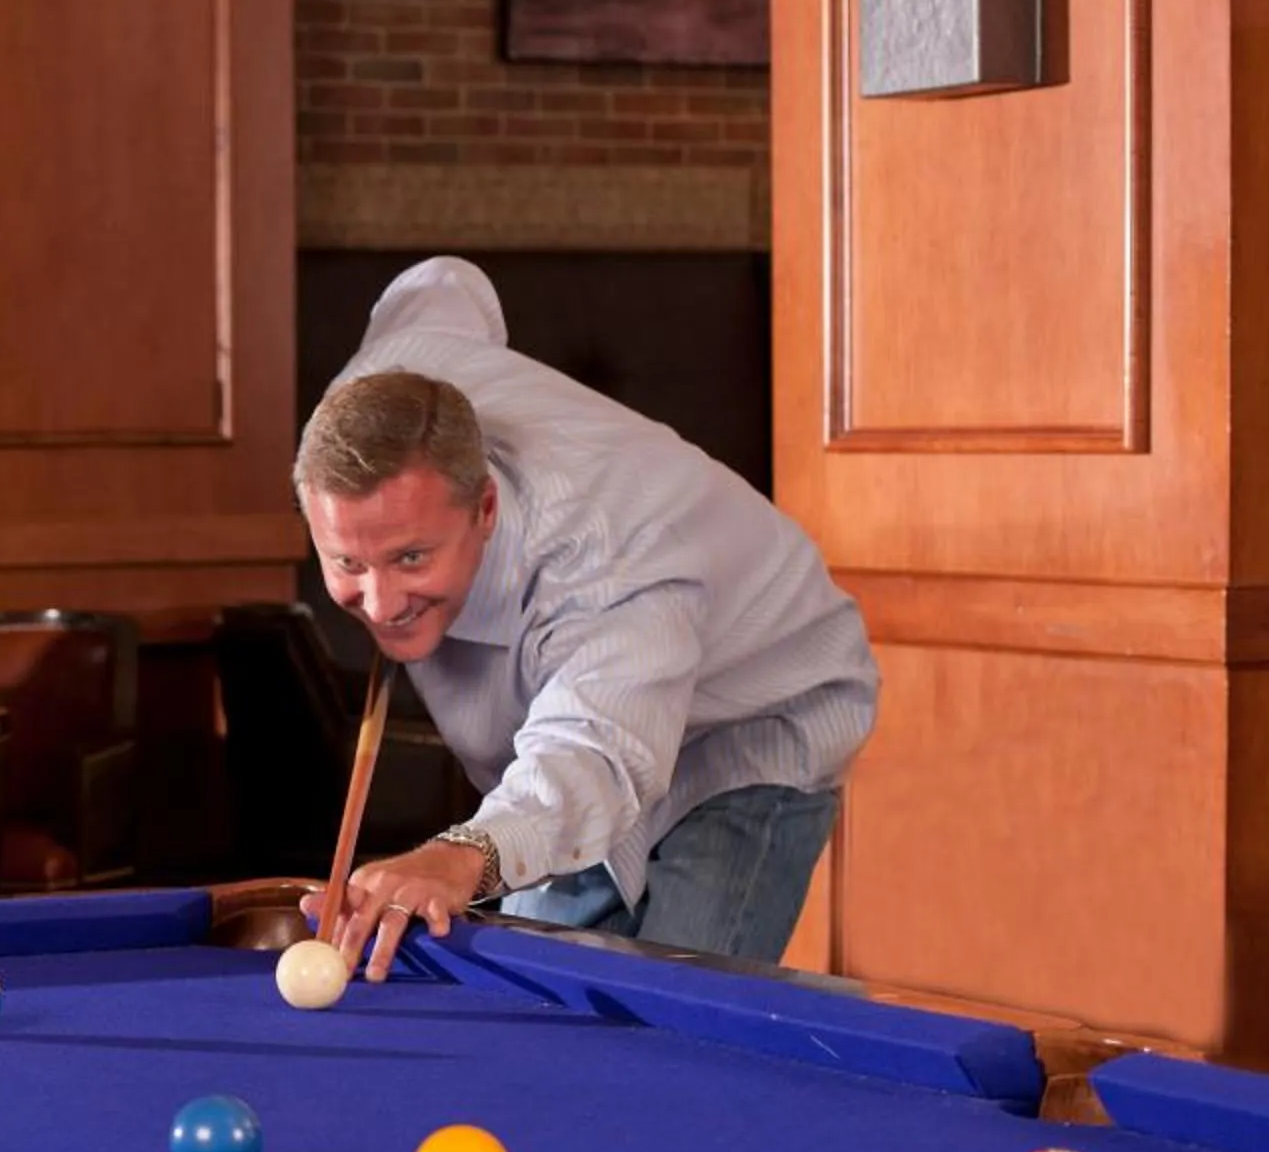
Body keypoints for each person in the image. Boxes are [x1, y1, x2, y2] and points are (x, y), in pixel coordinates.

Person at [295, 257, 878, 978]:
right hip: (570, 729)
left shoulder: (608, 555)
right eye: (349, 564)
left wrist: (458, 857)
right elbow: (444, 286)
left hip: (749, 719)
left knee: (672, 1017)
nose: (379, 605)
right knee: (530, 994)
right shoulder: (374, 391)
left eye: (411, 557)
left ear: (484, 509)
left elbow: (594, 750)